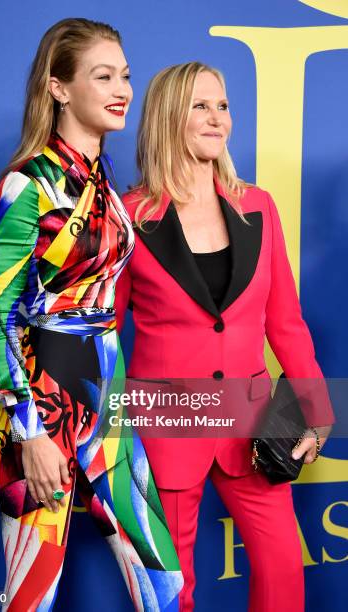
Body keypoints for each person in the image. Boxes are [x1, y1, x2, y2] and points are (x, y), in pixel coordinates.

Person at [114, 62, 335, 611]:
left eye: (224, 106)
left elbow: (285, 320)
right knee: (172, 590)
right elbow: (104, 334)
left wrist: (315, 405)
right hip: (166, 425)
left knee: (284, 569)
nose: (217, 118)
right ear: (169, 117)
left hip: (254, 423)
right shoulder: (129, 216)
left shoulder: (258, 206)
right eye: (200, 106)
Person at [0, 18, 182, 612]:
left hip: (109, 408)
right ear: (59, 88)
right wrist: (29, 432)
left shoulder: (110, 191)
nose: (122, 88)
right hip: (38, 411)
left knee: (163, 585)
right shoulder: (27, 185)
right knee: (32, 598)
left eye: (124, 74)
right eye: (103, 75)